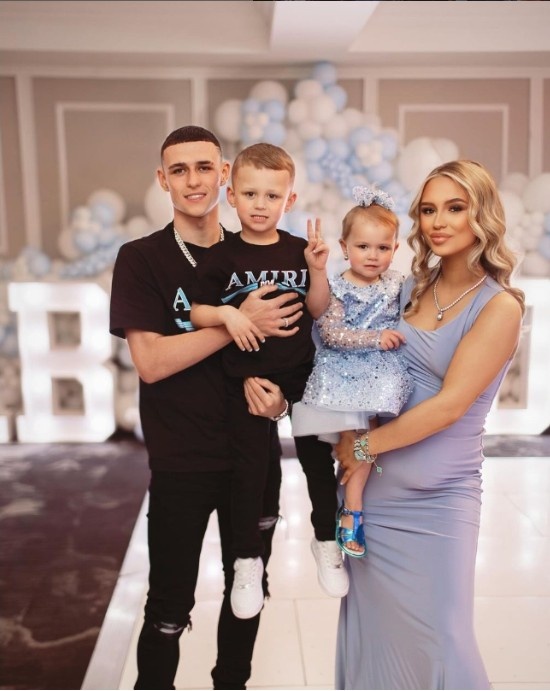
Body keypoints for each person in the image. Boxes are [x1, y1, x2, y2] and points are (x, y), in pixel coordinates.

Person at [109, 125, 303, 690]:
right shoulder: (141, 259)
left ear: (223, 175)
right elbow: (151, 362)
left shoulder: (263, 252)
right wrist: (235, 322)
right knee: (169, 605)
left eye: (204, 167)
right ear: (162, 179)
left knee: (249, 592)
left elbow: (295, 349)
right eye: (179, 169)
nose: (193, 180)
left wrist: (283, 401)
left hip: (254, 457)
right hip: (181, 461)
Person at [332, 160, 525, 689]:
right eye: (428, 209)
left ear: (481, 215)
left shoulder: (499, 307)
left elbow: (450, 406)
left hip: (440, 504)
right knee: (373, 639)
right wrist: (347, 432)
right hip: (373, 498)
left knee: (444, 641)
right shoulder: (408, 288)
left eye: (455, 208)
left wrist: (363, 446)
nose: (438, 222)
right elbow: (355, 361)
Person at [191, 142, 349, 619]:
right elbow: (196, 312)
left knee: (317, 462)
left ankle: (326, 540)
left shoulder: (300, 251)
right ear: (231, 196)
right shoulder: (220, 257)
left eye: (272, 196)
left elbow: (318, 309)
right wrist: (228, 315)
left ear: (289, 200)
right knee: (249, 472)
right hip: (247, 378)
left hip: (303, 375)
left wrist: (317, 271)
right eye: (250, 194)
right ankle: (246, 559)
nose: (260, 205)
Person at [291, 186, 413, 558]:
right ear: (345, 247)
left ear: (395, 249)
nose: (373, 255)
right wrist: (376, 337)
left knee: (367, 446)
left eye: (382, 247)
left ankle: (351, 507)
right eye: (363, 246)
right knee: (358, 445)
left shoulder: (397, 283)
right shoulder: (337, 287)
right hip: (342, 376)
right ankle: (350, 512)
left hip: (380, 375)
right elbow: (331, 333)